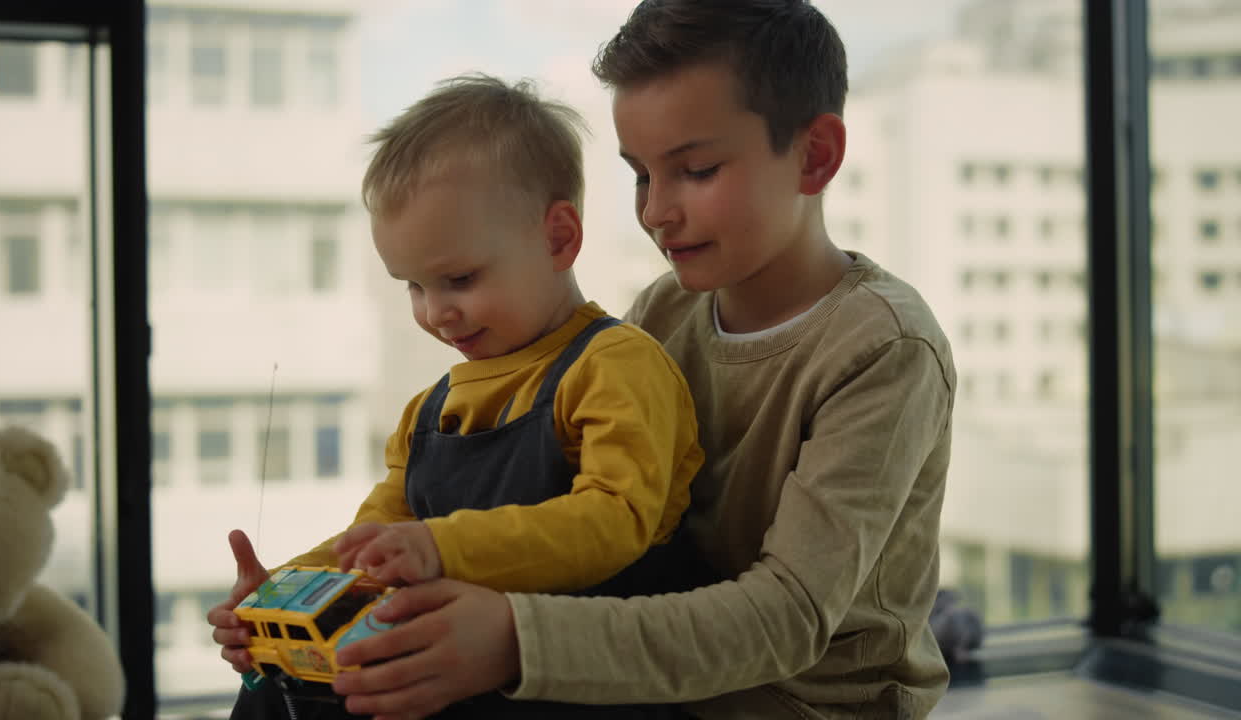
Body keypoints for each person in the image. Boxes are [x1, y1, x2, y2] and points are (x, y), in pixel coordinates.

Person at [317, 1, 960, 719]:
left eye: (696, 170)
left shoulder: (884, 350)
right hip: (646, 688)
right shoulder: (663, 312)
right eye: (640, 176)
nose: (655, 211)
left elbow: (788, 619)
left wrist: (511, 640)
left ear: (814, 156)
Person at [206, 74, 708, 719]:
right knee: (288, 692)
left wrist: (441, 548)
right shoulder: (430, 409)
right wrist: (282, 594)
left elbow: (615, 521)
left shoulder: (616, 365)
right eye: (413, 287)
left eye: (459, 279)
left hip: (587, 686)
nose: (437, 313)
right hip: (462, 683)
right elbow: (374, 541)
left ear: (559, 238)